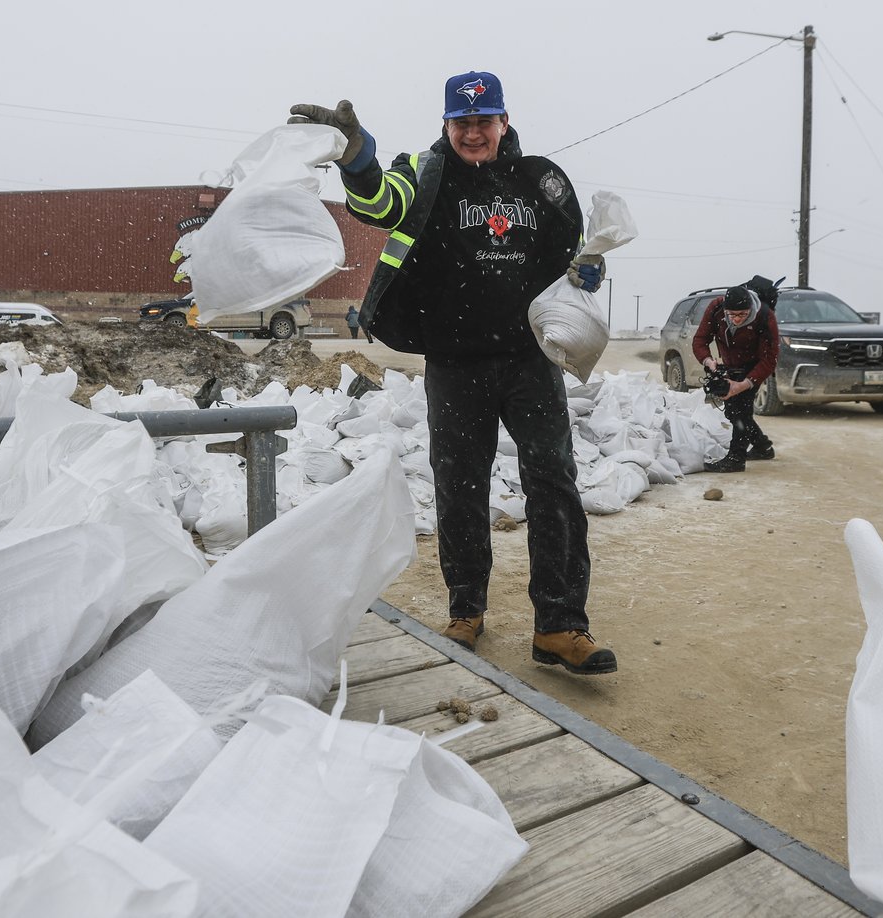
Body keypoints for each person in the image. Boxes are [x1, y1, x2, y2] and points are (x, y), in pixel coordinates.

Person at [290, 71, 616, 675]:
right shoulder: (425, 174)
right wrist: (359, 157)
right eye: (462, 122)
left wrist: (582, 272)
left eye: (483, 121)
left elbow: (566, 252)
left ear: (503, 122)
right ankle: (466, 609)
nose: (473, 132)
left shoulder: (536, 180)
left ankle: (562, 625)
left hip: (529, 357)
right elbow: (376, 206)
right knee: (461, 484)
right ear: (447, 124)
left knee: (554, 483)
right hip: (455, 358)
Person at [693, 284, 780, 472]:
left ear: (751, 309)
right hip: (730, 364)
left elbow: (769, 360)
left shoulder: (765, 317)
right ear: (725, 310)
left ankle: (736, 458)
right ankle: (762, 447)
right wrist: (708, 361)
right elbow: (700, 339)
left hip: (754, 367)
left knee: (741, 410)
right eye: (732, 315)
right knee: (732, 411)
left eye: (742, 314)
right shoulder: (716, 309)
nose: (737, 319)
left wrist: (744, 384)